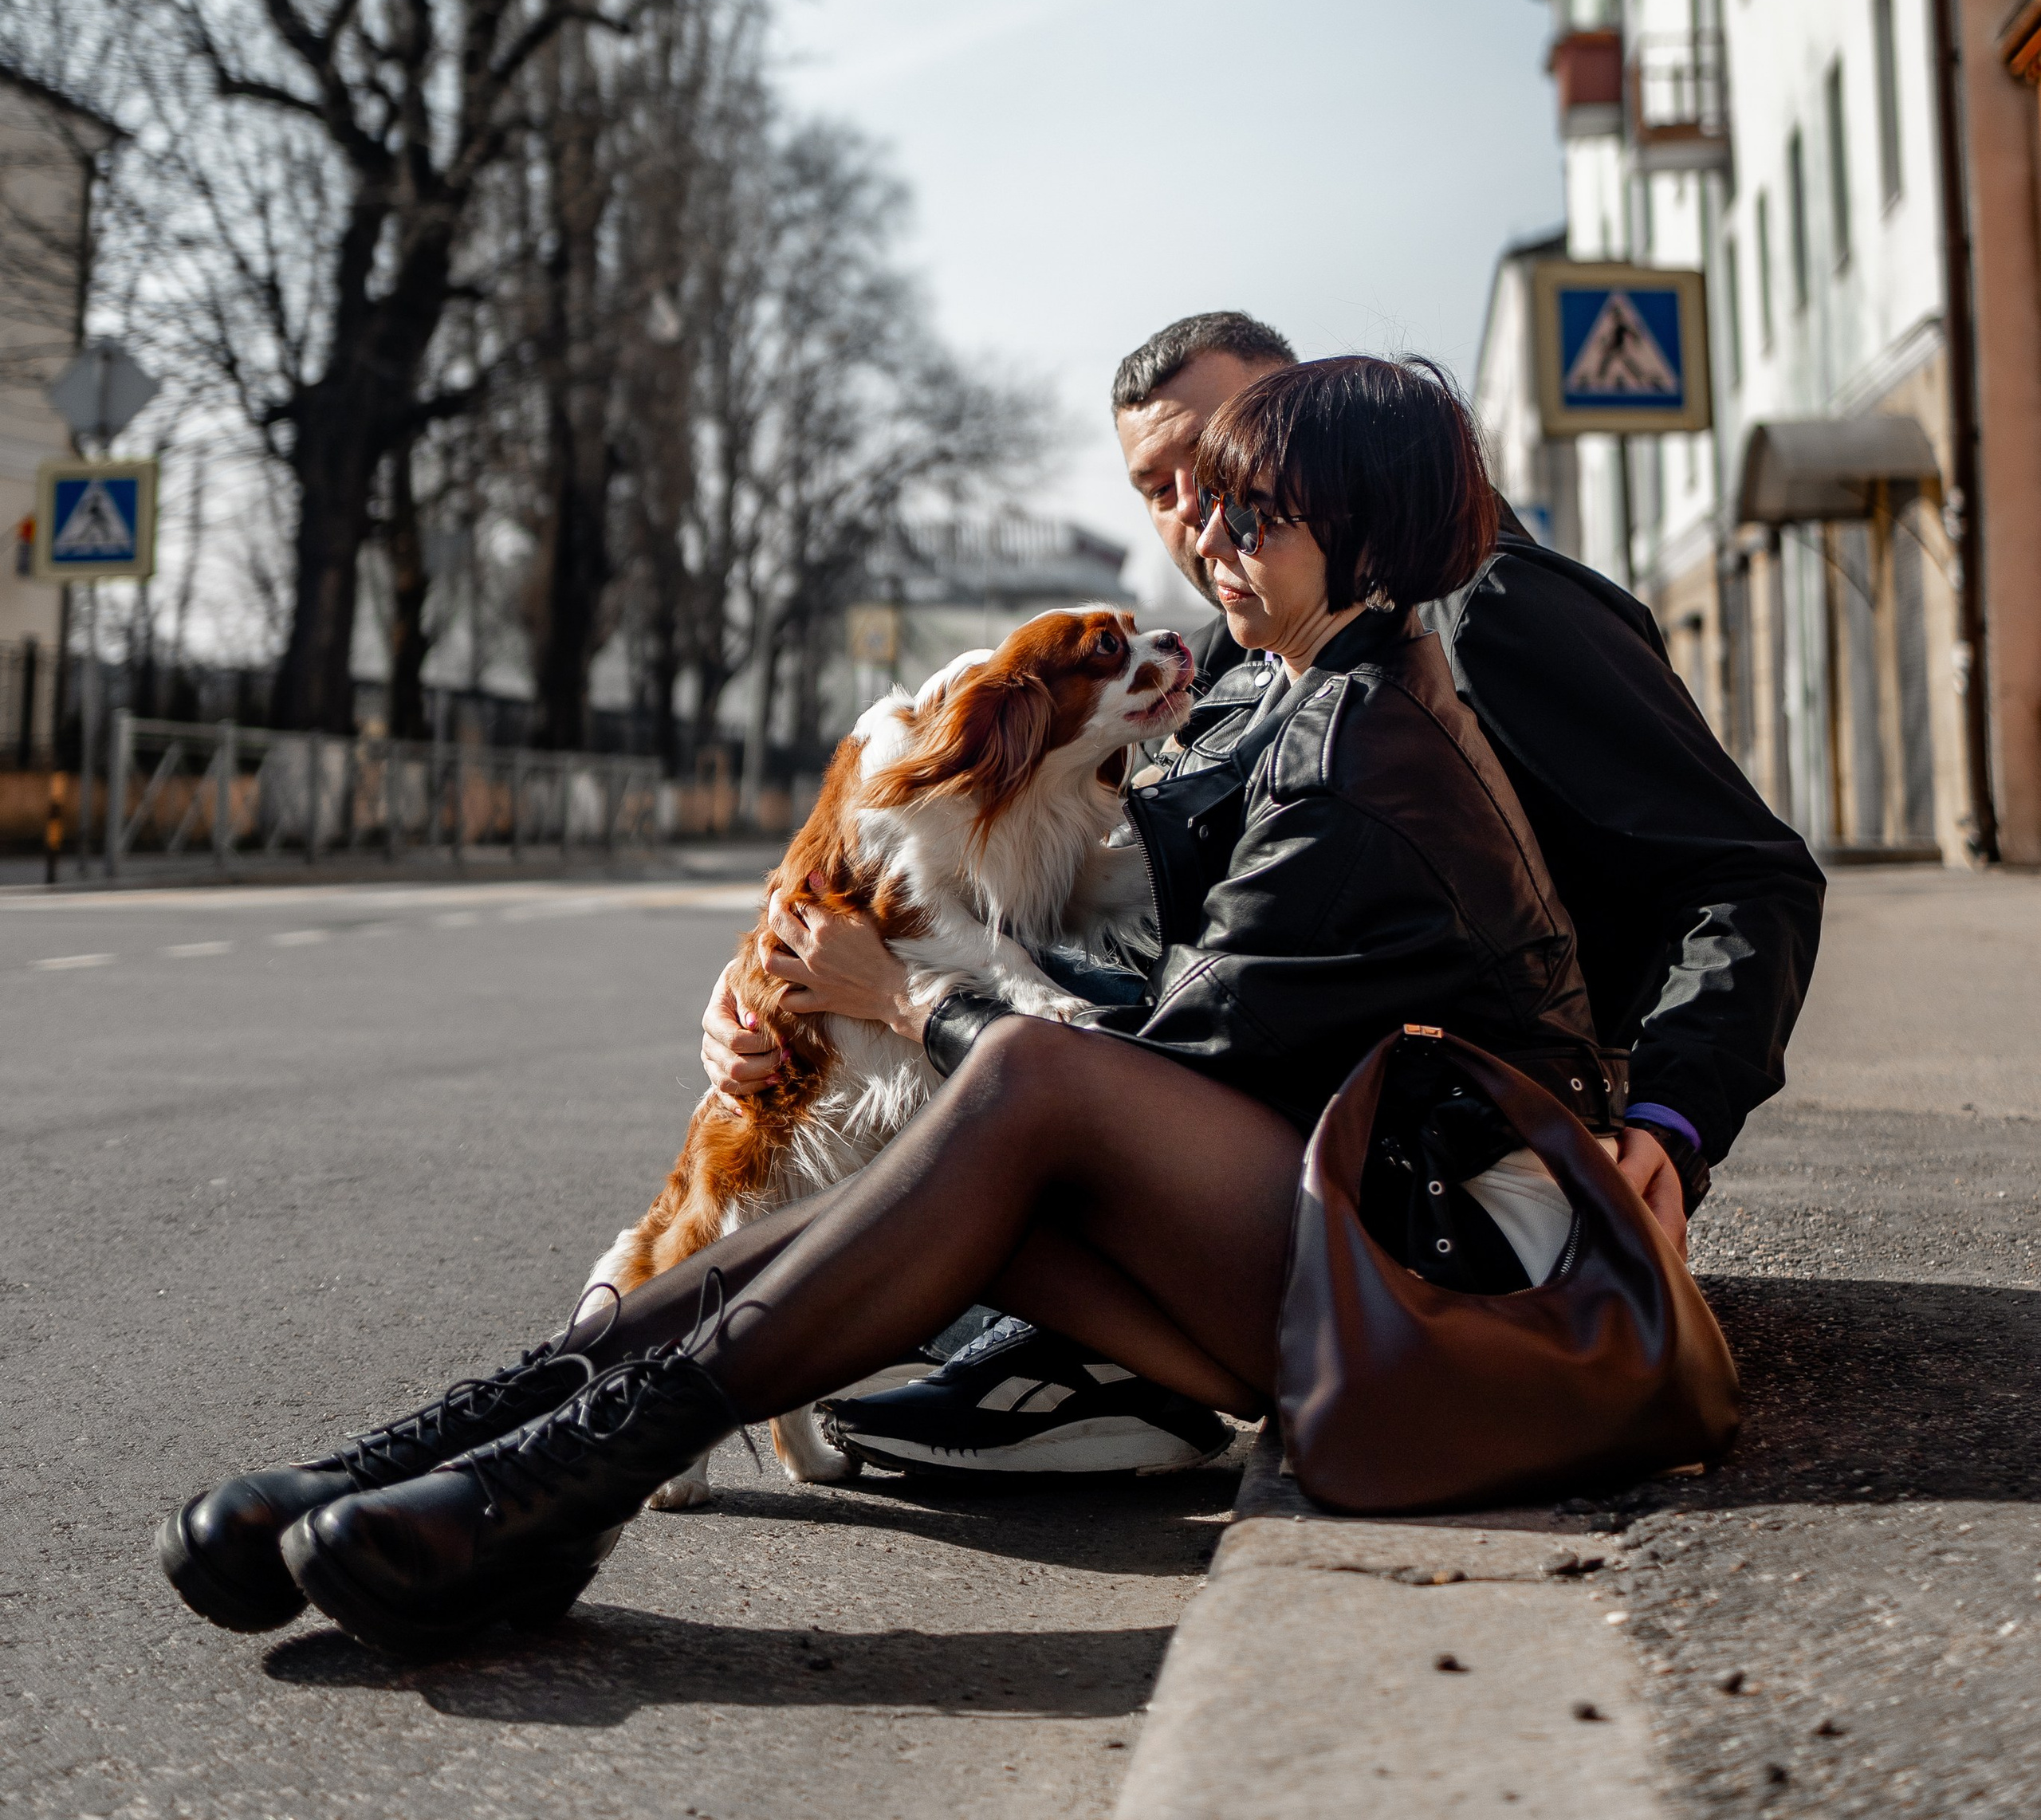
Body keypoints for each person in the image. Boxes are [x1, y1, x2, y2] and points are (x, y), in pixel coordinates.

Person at [161, 359, 1629, 1661]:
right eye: (1212, 508)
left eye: (1258, 515)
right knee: (969, 1153)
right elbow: (1058, 896)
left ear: (1364, 532)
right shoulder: (1310, 697)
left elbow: (1150, 1065)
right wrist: (789, 955)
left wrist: (906, 997)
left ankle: (542, 1479)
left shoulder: (1359, 760)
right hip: (1381, 1241)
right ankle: (498, 1444)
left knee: (1022, 1093)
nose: (1212, 539)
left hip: (1476, 1304)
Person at [811, 305, 1824, 1476]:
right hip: (1300, 1097)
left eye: (1225, 469)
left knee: (968, 1163)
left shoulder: (1489, 613)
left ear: (1310, 444)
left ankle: (1093, 1359)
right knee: (912, 1161)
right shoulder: (1238, 653)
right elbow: (1109, 907)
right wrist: (798, 989)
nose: (1197, 513)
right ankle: (1068, 1350)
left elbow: (1747, 879)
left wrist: (1672, 1123)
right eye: (1159, 487)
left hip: (1477, 1159)